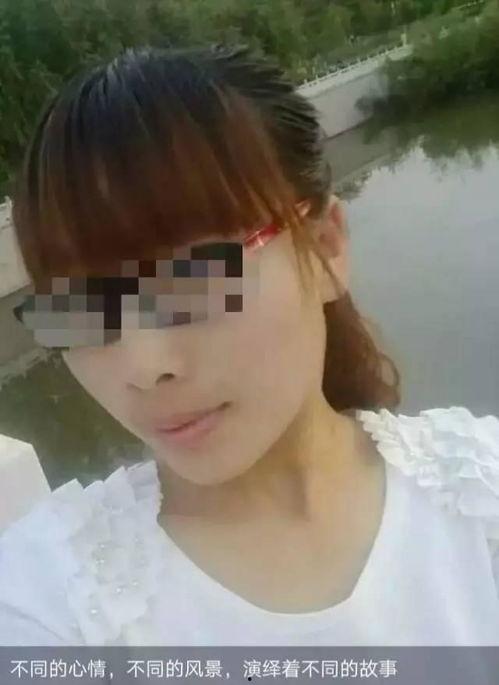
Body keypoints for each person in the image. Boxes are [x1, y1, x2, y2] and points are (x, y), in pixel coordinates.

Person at [1, 43, 499, 647]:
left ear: (324, 247)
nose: (144, 365)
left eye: (195, 279)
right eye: (79, 312)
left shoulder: (482, 500)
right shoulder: (50, 602)